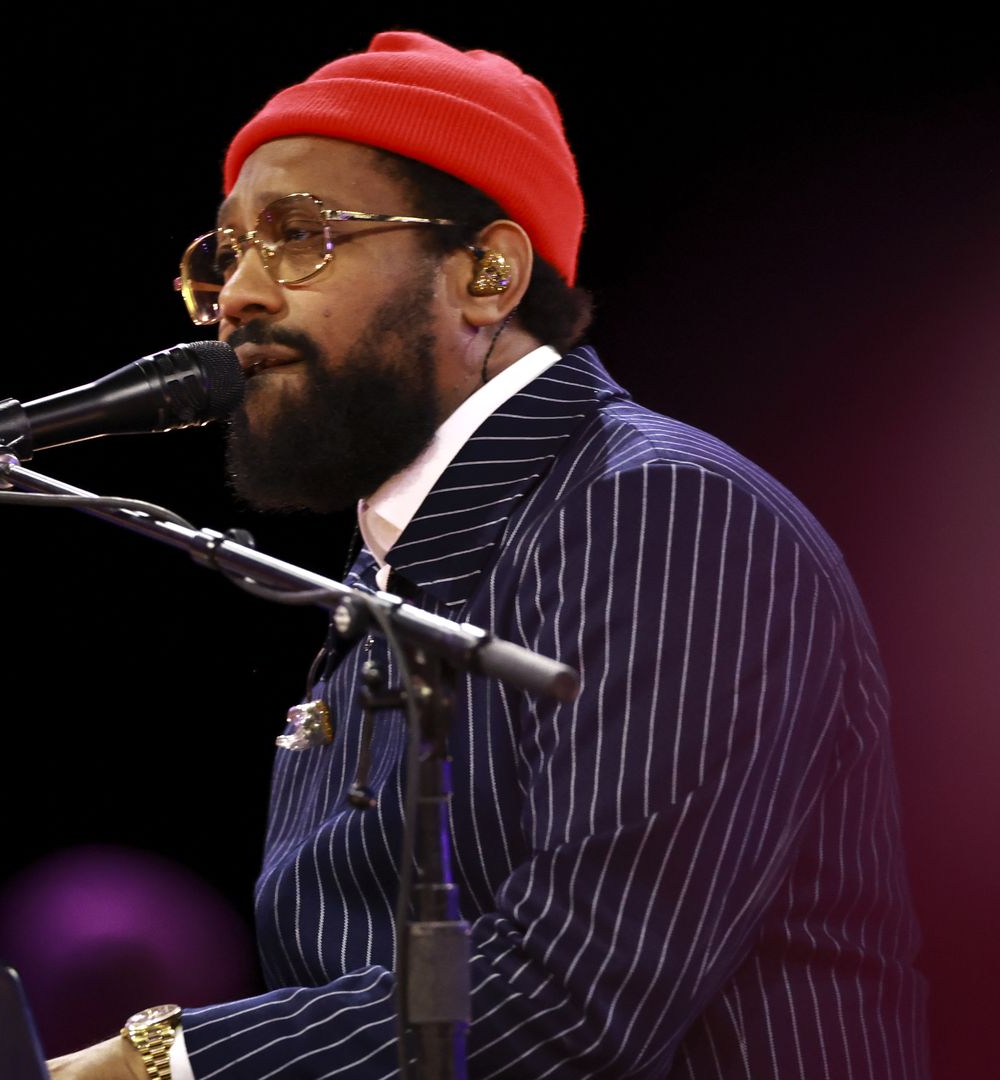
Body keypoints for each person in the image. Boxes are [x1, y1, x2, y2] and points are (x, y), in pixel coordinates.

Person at [51, 31, 927, 1080]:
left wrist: (154, 1066)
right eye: (226, 253)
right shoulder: (395, 567)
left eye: (298, 235)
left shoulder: (660, 513)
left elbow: (578, 991)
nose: (239, 293)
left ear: (488, 272)